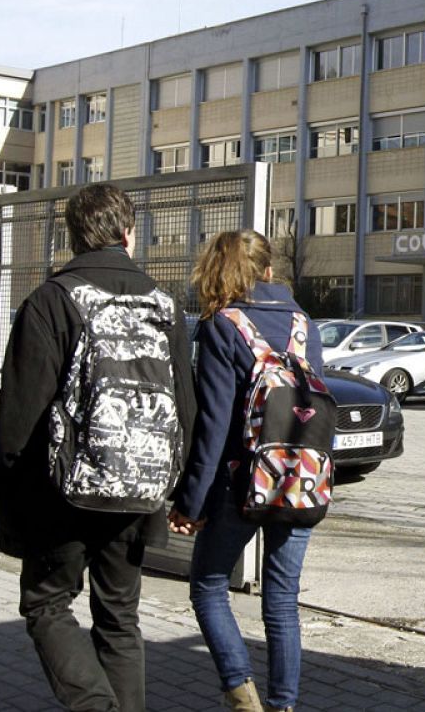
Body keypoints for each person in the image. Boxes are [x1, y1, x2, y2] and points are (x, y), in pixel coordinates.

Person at [0, 183, 196, 712]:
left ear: (73, 236)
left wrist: (11, 493)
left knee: (47, 603)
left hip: (63, 492)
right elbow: (186, 408)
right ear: (129, 233)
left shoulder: (53, 300)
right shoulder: (164, 305)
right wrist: (175, 485)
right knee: (120, 618)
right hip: (140, 486)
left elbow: (17, 419)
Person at [169, 230, 325, 712]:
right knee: (282, 601)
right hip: (301, 480)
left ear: (217, 271)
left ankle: (242, 697)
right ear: (269, 272)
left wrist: (191, 503)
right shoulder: (304, 323)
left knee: (209, 586)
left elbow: (214, 426)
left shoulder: (223, 325)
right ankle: (284, 705)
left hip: (239, 485)